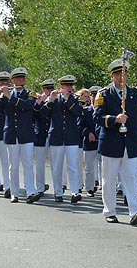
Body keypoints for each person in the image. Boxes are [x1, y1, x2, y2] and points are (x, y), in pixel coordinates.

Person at [93, 58, 137, 225]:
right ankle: (109, 211)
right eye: (117, 74)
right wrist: (114, 119)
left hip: (131, 143)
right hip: (111, 143)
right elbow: (97, 117)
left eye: (123, 74)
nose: (121, 77)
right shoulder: (103, 94)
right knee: (109, 179)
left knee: (132, 177)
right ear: (112, 77)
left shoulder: (135, 94)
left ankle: (136, 211)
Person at [1, 67, 40, 204]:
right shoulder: (4, 95)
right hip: (12, 134)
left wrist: (10, 97)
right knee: (13, 165)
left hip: (26, 134)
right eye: (18, 79)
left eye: (23, 78)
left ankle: (31, 192)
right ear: (12, 81)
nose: (21, 81)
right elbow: (2, 109)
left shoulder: (30, 94)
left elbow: (27, 106)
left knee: (28, 164)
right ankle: (14, 193)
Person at [45, 75, 83, 203]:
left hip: (71, 137)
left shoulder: (75, 99)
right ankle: (58, 192)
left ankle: (75, 192)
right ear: (61, 86)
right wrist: (50, 100)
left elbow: (78, 112)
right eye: (67, 85)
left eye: (71, 85)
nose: (70, 88)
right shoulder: (54, 98)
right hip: (56, 136)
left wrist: (68, 100)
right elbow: (42, 114)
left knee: (73, 166)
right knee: (57, 167)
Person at [33, 79, 55, 195]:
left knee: (55, 162)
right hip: (40, 134)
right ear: (43, 89)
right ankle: (40, 187)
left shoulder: (55, 99)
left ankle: (59, 186)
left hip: (52, 134)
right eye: (47, 88)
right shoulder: (38, 99)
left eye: (51, 88)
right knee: (40, 163)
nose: (49, 90)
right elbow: (36, 114)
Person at [76, 88, 98, 197]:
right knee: (89, 167)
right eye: (93, 96)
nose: (94, 98)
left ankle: (107, 189)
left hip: (103, 142)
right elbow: (80, 125)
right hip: (90, 143)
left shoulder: (104, 110)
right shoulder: (85, 111)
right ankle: (89, 188)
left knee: (106, 168)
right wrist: (88, 133)